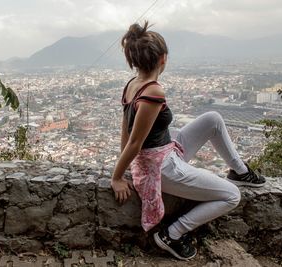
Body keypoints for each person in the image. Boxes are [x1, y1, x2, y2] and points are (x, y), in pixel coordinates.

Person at [110, 21, 266, 261]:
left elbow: (126, 131)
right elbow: (135, 142)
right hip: (161, 167)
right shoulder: (153, 91)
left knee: (213, 118)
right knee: (232, 196)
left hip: (165, 151)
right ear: (163, 58)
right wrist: (117, 176)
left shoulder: (132, 85)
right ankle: (173, 233)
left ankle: (240, 171)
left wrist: (126, 167)